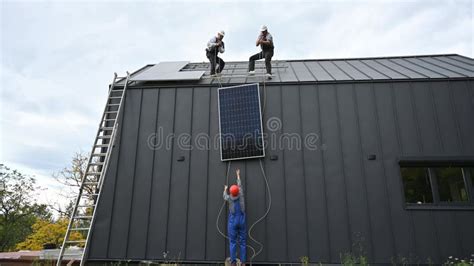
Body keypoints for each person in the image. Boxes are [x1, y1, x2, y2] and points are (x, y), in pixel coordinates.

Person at [223, 169, 246, 266]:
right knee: (243, 242)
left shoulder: (229, 198)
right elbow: (239, 185)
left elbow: (224, 196)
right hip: (242, 220)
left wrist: (225, 189)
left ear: (231, 192)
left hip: (233, 222)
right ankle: (244, 263)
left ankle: (233, 263)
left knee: (232, 242)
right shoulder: (241, 195)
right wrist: (238, 175)